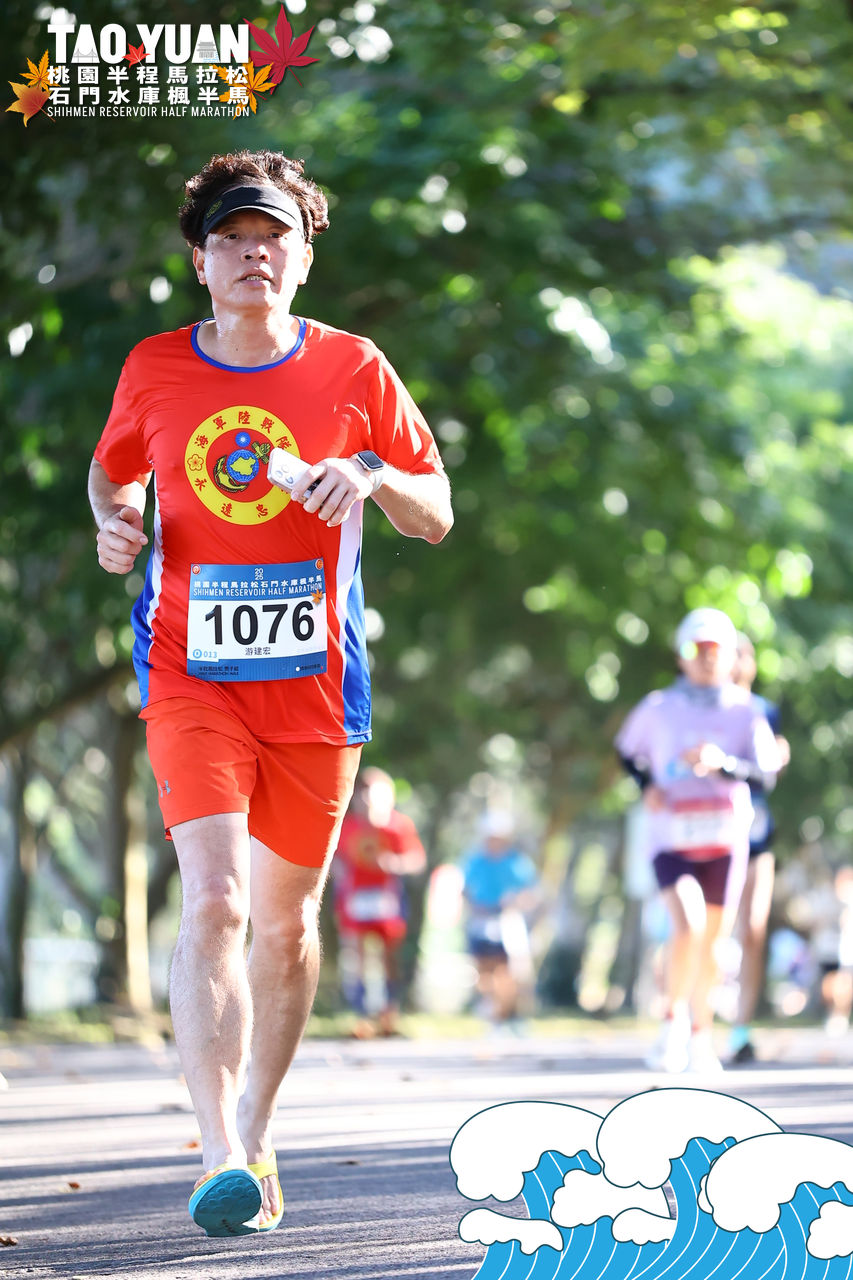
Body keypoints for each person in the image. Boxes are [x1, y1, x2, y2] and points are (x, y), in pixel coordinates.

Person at [88, 149, 453, 1236]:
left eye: (274, 237)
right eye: (232, 239)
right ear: (201, 262)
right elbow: (113, 468)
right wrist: (114, 520)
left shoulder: (355, 367)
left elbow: (436, 513)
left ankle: (256, 1124)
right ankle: (216, 1153)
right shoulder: (155, 366)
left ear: (303, 258)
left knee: (285, 926)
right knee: (216, 900)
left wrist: (373, 475)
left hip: (316, 686)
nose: (254, 254)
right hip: (189, 674)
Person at [615, 608, 779, 1074]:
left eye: (716, 650)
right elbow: (627, 752)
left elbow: (765, 775)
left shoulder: (749, 711)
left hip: (725, 840)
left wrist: (722, 764)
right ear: (681, 656)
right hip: (671, 835)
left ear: (731, 657)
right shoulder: (658, 707)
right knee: (686, 924)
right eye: (696, 649)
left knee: (713, 941)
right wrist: (646, 785)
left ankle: (701, 1036)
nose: (706, 658)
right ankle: (672, 1024)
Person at [728, 633, 790, 1064]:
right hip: (712, 830)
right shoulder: (702, 710)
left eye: (741, 655)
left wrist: (778, 760)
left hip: (756, 832)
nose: (735, 663)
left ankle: (740, 1030)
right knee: (710, 929)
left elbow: (769, 771)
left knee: (753, 927)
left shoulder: (766, 711)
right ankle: (692, 1022)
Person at [332, 766, 427, 1037]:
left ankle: (389, 1013)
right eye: (363, 793)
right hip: (354, 899)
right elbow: (333, 858)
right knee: (357, 955)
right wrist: (338, 870)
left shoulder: (399, 826)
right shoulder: (346, 826)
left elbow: (417, 860)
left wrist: (393, 864)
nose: (367, 800)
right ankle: (362, 1016)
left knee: (389, 957)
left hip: (388, 899)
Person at [461, 812, 540, 1032]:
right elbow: (465, 889)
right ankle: (491, 1012)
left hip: (507, 921)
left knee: (508, 970)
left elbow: (531, 893)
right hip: (481, 920)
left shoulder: (517, 862)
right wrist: (474, 906)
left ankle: (506, 1015)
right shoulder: (475, 861)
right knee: (483, 968)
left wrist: (515, 902)